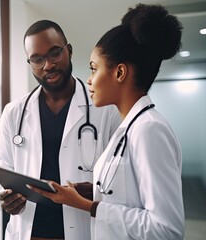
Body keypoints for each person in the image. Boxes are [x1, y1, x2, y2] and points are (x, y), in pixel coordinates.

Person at [28, 4, 185, 240]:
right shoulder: (129, 128)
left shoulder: (149, 130)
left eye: (94, 69)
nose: (89, 80)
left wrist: (87, 206)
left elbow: (167, 230)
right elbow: (132, 195)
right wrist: (94, 192)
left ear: (120, 73)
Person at [0, 20, 121, 240]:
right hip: (29, 230)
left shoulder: (105, 109)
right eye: (37, 59)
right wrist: (7, 198)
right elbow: (4, 167)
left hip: (85, 228)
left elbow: (121, 177)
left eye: (54, 54)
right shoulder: (13, 112)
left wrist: (97, 190)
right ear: (30, 63)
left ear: (69, 51)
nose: (47, 65)